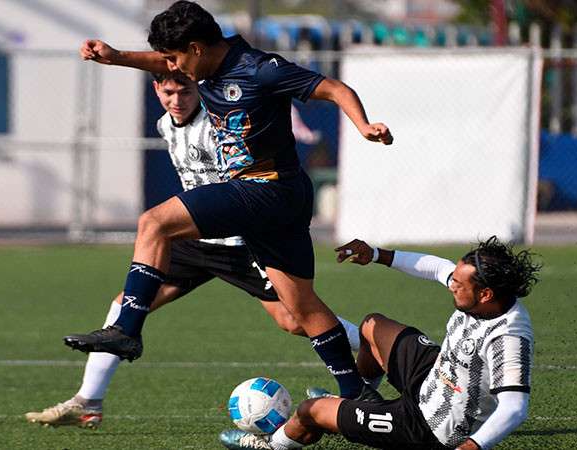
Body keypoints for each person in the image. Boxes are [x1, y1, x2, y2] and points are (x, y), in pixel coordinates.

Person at [65, 0, 392, 400]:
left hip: (264, 189)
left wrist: (364, 126)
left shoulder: (259, 68)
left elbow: (335, 88)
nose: (172, 67)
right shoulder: (200, 65)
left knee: (154, 222)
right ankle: (358, 395)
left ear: (196, 47)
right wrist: (116, 58)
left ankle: (127, 330)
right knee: (300, 310)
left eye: (175, 57)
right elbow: (159, 62)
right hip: (281, 196)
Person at [25, 73, 361, 429]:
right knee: (126, 303)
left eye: (185, 91)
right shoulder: (164, 124)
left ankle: (375, 347)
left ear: (198, 90)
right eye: (168, 92)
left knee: (294, 319)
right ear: (156, 90)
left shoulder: (218, 125)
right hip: (194, 242)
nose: (176, 100)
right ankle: (87, 402)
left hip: (240, 244)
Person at [219, 236, 541, 450]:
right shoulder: (483, 297)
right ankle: (362, 396)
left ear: (485, 294)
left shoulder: (509, 338)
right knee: (372, 326)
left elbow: (515, 408)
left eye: (459, 283)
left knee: (310, 411)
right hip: (434, 376)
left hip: (430, 427)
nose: (450, 285)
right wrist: (376, 254)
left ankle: (272, 445)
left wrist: (473, 445)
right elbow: (438, 268)